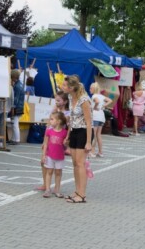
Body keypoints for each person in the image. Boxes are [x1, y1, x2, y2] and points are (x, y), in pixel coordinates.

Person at [62, 75, 92, 203]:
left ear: (71, 87)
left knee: (80, 164)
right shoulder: (70, 97)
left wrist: (89, 142)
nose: (62, 87)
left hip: (84, 132)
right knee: (75, 164)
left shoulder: (84, 100)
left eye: (64, 85)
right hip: (74, 130)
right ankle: (77, 191)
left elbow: (89, 122)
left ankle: (82, 194)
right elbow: (72, 118)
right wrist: (68, 135)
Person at [41, 112, 68, 198]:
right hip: (50, 156)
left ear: (58, 121)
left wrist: (66, 143)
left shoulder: (65, 133)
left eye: (52, 119)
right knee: (49, 172)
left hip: (60, 157)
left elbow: (66, 145)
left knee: (58, 173)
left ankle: (57, 189)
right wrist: (43, 155)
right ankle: (48, 189)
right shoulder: (49, 131)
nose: (50, 121)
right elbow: (45, 144)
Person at [90, 82, 112, 158]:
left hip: (95, 116)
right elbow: (110, 100)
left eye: (91, 88)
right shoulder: (102, 96)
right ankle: (100, 152)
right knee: (98, 135)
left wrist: (95, 107)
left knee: (94, 135)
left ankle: (92, 151)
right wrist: (104, 105)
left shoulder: (94, 96)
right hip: (101, 117)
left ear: (93, 89)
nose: (90, 89)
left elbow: (97, 101)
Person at [9, 69, 25, 145]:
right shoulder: (20, 84)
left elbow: (16, 98)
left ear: (14, 77)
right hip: (20, 106)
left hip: (17, 107)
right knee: (14, 123)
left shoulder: (17, 86)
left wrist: (13, 107)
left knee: (15, 123)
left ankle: (16, 139)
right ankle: (14, 138)